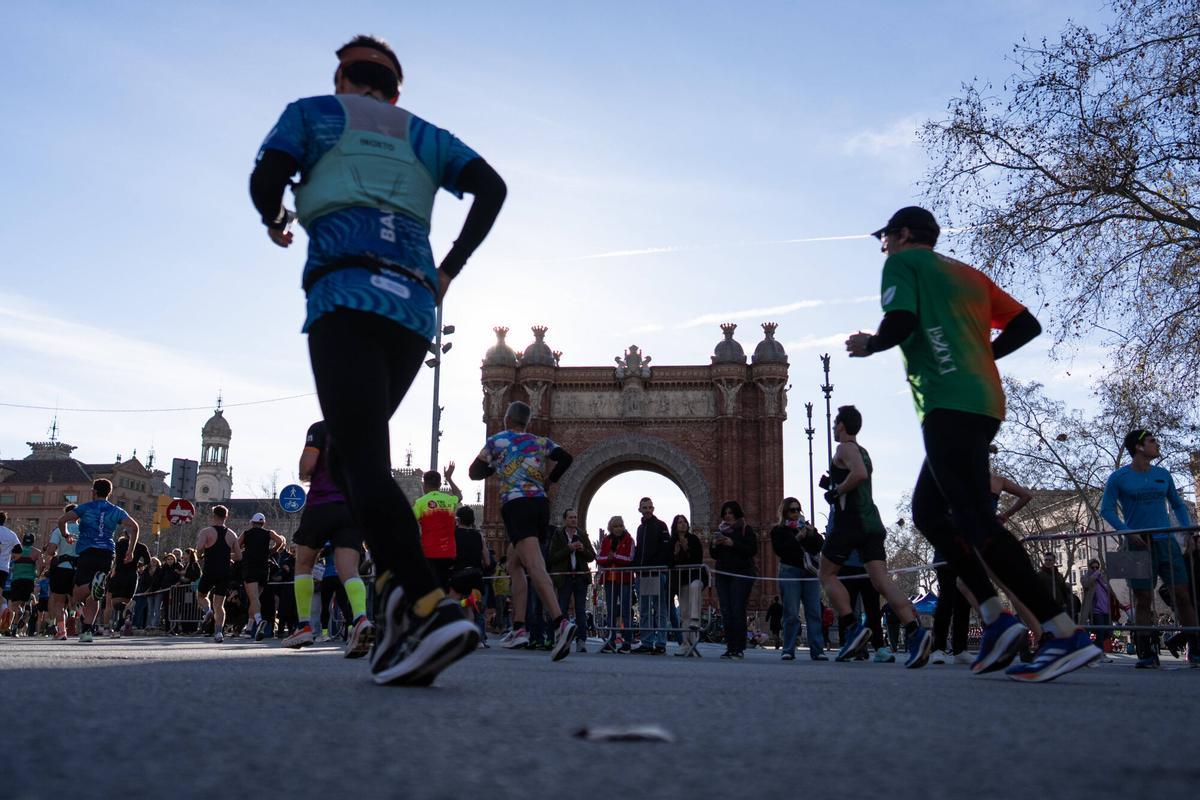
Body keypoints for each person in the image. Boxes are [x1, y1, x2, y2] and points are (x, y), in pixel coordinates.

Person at [250, 34, 502, 686]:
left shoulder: (315, 113)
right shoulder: (422, 132)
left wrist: (275, 216)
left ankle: (427, 605)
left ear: (343, 78)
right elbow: (492, 189)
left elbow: (265, 177)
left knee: (359, 456)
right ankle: (393, 600)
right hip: (415, 312)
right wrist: (449, 268)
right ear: (396, 90)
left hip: (347, 295)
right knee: (346, 452)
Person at [846, 205, 1100, 681]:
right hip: (984, 402)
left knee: (975, 520)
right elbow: (1027, 326)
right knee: (927, 511)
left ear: (902, 235)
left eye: (884, 237)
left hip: (947, 404)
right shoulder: (968, 275)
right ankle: (994, 616)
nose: (882, 246)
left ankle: (1062, 630)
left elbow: (900, 322)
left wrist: (871, 344)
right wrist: (983, 357)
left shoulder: (902, 264)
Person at [817, 405, 930, 667]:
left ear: (842, 425)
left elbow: (858, 475)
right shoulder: (865, 452)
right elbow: (861, 475)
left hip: (850, 522)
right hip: (872, 523)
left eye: (836, 424)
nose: (834, 428)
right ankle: (915, 630)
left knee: (826, 574)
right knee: (882, 582)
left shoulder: (844, 448)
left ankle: (852, 627)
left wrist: (836, 492)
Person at [469, 400, 576, 660]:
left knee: (535, 566)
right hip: (540, 505)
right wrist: (549, 480)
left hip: (517, 505)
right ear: (526, 421)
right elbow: (566, 458)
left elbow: (474, 472)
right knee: (515, 563)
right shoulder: (540, 441)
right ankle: (519, 628)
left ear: (507, 418)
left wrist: (497, 465)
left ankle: (561, 622)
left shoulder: (498, 441)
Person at [1100, 428, 1199, 668]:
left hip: (1166, 541)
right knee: (1142, 599)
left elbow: (1177, 505)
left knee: (1183, 595)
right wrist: (1127, 532)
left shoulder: (1163, 474)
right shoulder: (1118, 477)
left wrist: (1188, 531)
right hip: (1137, 544)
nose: (1157, 445)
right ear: (1139, 447)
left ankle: (1196, 650)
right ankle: (1146, 653)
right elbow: (1107, 510)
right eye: (1152, 441)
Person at [286, 420, 372, 657]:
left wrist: (304, 472)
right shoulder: (365, 431)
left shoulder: (321, 428)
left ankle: (303, 625)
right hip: (352, 509)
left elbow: (308, 465)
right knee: (350, 571)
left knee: (303, 563)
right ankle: (361, 619)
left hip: (322, 504)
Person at [56, 480, 140, 643]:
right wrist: (130, 551)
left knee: (77, 594)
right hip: (107, 553)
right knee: (95, 596)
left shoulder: (85, 508)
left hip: (87, 552)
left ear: (94, 492)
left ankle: (91, 586)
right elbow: (135, 527)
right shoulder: (116, 510)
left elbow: (62, 521)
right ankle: (87, 631)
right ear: (109, 492)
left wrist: (66, 535)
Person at [770, 498, 827, 661]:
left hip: (809, 572)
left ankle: (817, 650)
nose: (795, 513)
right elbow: (781, 551)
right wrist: (798, 538)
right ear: (784, 512)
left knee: (814, 612)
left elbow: (819, 545)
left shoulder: (807, 528)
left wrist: (811, 534)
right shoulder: (778, 531)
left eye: (798, 509)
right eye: (792, 510)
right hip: (790, 572)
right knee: (791, 613)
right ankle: (788, 649)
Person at [710, 500, 757, 660]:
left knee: (737, 610)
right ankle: (730, 647)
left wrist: (732, 543)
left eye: (731, 513)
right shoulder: (720, 530)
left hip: (741, 575)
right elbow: (713, 555)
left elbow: (752, 550)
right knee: (726, 612)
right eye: (725, 513)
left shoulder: (745, 529)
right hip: (722, 575)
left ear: (737, 514)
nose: (728, 516)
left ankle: (739, 648)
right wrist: (715, 544)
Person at [547, 508, 595, 654]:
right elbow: (552, 557)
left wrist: (582, 549)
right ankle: (562, 639)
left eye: (575, 517)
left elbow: (591, 556)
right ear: (565, 520)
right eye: (571, 517)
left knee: (581, 611)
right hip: (564, 578)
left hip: (580, 578)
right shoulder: (558, 535)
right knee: (562, 609)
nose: (574, 520)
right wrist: (568, 549)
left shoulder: (581, 534)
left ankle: (581, 641)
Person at [194, 505, 242, 643]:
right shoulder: (232, 534)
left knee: (201, 595)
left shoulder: (207, 531)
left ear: (213, 515)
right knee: (219, 604)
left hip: (210, 569)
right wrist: (225, 555)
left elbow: (199, 548)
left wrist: (200, 555)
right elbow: (238, 557)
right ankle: (219, 633)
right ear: (226, 517)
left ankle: (207, 610)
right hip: (224, 571)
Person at [631, 497, 671, 655]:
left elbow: (665, 549)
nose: (647, 510)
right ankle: (647, 643)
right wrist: (636, 568)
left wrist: (655, 566)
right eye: (644, 507)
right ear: (639, 509)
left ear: (653, 509)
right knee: (645, 610)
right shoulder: (640, 529)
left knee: (659, 610)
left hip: (656, 573)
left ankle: (661, 643)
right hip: (643, 575)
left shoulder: (661, 525)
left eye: (649, 507)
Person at [238, 512, 287, 640]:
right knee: (255, 599)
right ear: (263, 523)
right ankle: (249, 629)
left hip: (250, 568)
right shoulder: (268, 533)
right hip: (264, 569)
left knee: (253, 599)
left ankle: (259, 622)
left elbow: (236, 546)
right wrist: (273, 550)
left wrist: (245, 549)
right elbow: (280, 540)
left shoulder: (246, 533)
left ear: (252, 523)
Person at [413, 466, 462, 590]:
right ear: (440, 484)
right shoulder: (449, 500)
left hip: (429, 553)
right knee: (445, 589)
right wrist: (449, 479)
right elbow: (459, 495)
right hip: (449, 553)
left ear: (424, 484)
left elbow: (408, 522)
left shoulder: (421, 502)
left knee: (430, 589)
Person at [449, 506, 492, 645]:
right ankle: (472, 639)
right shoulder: (478, 535)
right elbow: (487, 560)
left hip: (459, 575)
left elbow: (450, 555)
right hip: (476, 576)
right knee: (470, 606)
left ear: (459, 519)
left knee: (453, 604)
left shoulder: (453, 534)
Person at [596, 516, 635, 653]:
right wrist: (608, 558)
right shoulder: (606, 540)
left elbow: (630, 559)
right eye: (615, 526)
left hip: (624, 580)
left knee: (625, 611)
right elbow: (599, 557)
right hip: (609, 580)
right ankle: (610, 641)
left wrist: (615, 557)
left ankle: (628, 642)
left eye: (620, 525)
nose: (618, 528)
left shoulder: (629, 540)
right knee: (611, 611)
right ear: (610, 527)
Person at [669, 515, 706, 658]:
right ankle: (686, 644)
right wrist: (676, 553)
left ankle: (696, 620)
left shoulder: (694, 540)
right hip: (681, 581)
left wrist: (687, 549)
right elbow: (669, 563)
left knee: (695, 588)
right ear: (675, 525)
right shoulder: (672, 542)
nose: (683, 524)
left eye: (684, 522)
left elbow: (698, 560)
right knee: (684, 614)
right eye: (679, 522)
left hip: (696, 578)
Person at [42, 504, 79, 640]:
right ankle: (75, 616)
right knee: (76, 599)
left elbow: (51, 551)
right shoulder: (85, 530)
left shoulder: (59, 530)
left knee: (59, 602)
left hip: (62, 568)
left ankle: (62, 630)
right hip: (79, 569)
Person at [103, 531, 151, 637]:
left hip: (118, 574)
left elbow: (112, 558)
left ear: (125, 535)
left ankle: (108, 628)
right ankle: (118, 628)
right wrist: (138, 565)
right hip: (132, 576)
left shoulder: (118, 544)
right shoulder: (142, 547)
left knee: (112, 604)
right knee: (125, 604)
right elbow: (148, 561)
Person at [1080, 558, 1117, 656]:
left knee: (1108, 633)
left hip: (1106, 610)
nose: (1095, 569)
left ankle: (1092, 649)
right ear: (1089, 568)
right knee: (1100, 633)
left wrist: (1118, 603)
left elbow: (1110, 591)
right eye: (1093, 567)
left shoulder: (1103, 578)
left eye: (1097, 567)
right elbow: (1086, 584)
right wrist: (1095, 575)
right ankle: (1099, 653)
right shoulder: (1085, 577)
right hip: (1096, 611)